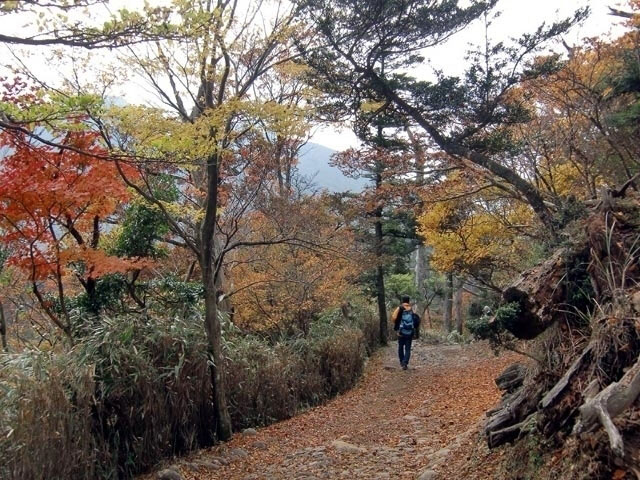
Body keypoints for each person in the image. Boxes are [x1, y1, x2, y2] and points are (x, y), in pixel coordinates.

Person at [391, 295, 420, 370]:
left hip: (401, 331)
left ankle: (401, 362)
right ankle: (405, 363)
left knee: (400, 347)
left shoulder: (399, 308)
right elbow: (415, 319)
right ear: (408, 301)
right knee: (408, 348)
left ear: (402, 301)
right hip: (410, 331)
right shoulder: (411, 309)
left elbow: (393, 317)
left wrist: (397, 323)